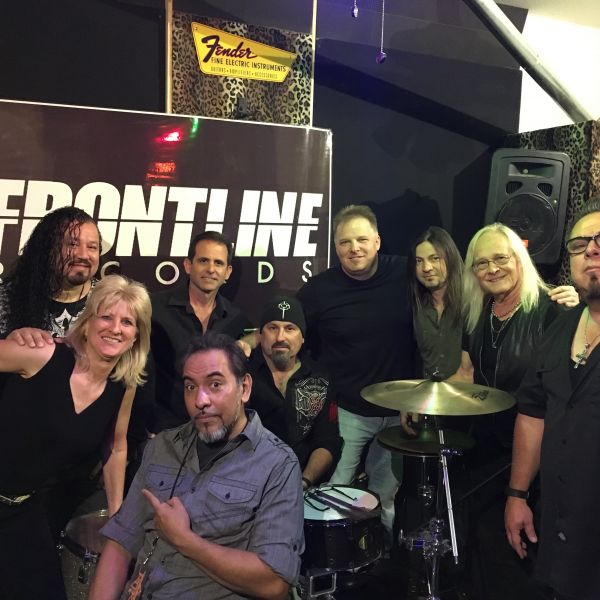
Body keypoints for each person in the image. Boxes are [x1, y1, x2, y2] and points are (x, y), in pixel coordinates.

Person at [88, 333, 304, 600]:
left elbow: (274, 582)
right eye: (190, 386)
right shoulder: (162, 447)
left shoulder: (278, 464)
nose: (200, 400)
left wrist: (184, 540)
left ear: (245, 388)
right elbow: (121, 541)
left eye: (215, 384)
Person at [0, 274, 151, 600]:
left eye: (127, 322)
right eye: (106, 317)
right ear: (88, 321)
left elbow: (116, 444)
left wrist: (117, 516)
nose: (115, 328)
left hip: (23, 508)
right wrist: (11, 337)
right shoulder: (43, 354)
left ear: (136, 336)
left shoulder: (122, 386)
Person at [452, 222, 578, 600]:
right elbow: (465, 372)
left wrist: (584, 309)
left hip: (534, 460)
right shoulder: (479, 312)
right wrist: (422, 398)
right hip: (485, 453)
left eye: (501, 258)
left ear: (519, 258)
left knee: (521, 560)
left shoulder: (552, 309)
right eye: (482, 263)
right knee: (485, 552)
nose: (492, 269)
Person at [296, 204, 415, 542]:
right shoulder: (320, 289)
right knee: (333, 491)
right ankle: (327, 559)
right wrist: (249, 341)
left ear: (377, 241)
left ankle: (380, 556)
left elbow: (454, 285)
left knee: (385, 496)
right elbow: (286, 323)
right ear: (336, 247)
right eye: (345, 242)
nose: (354, 248)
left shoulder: (406, 273)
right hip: (347, 410)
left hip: (398, 413)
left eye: (362, 239)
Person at [505, 200, 600, 600]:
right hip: (559, 527)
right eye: (580, 244)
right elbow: (532, 412)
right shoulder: (559, 326)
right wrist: (517, 494)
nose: (591, 249)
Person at [148, 231, 251, 433]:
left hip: (215, 432)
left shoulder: (236, 319)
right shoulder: (154, 309)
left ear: (227, 272)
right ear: (188, 265)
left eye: (218, 263)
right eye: (204, 261)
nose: (211, 269)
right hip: (163, 431)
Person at [248, 295, 342, 489]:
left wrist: (304, 482)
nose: (280, 337)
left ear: (302, 337)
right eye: (272, 328)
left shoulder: (320, 378)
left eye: (290, 328)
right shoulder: (241, 375)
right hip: (248, 483)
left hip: (303, 483)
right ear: (260, 335)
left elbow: (327, 441)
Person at [0, 205, 100, 340]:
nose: (83, 255)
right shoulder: (6, 299)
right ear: (47, 248)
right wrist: (8, 345)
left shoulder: (109, 300)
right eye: (72, 244)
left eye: (92, 247)